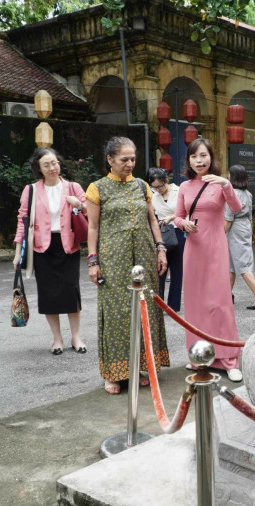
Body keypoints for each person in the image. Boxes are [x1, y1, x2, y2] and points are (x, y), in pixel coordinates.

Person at [85, 137, 169, 395]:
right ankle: (113, 373)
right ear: (110, 159)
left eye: (133, 159)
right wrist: (93, 260)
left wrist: (161, 248)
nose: (130, 164)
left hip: (144, 255)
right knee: (116, 314)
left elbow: (153, 220)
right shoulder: (97, 188)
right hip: (113, 259)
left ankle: (140, 367)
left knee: (144, 309)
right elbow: (93, 227)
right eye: (124, 159)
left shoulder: (142, 186)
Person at [174, 138, 244, 382]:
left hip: (215, 247)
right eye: (194, 157)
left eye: (203, 155)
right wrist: (184, 224)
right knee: (195, 303)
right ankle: (199, 356)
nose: (199, 161)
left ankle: (229, 360)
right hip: (193, 248)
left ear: (211, 158)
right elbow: (177, 216)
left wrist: (226, 184)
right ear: (188, 161)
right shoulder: (184, 186)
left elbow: (235, 208)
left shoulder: (219, 184)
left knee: (219, 303)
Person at [12, 147, 88, 355]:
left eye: (54, 163)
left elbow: (91, 210)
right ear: (39, 168)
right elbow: (23, 220)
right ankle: (57, 339)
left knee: (72, 293)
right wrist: (18, 251)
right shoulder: (32, 190)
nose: (52, 167)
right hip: (42, 248)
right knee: (49, 295)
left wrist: (79, 204)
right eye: (47, 165)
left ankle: (76, 336)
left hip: (68, 245)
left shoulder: (73, 187)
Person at [225, 165, 255, 310]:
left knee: (242, 265)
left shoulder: (231, 194)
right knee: (230, 264)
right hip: (245, 227)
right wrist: (252, 234)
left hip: (235, 228)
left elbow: (228, 219)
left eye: (229, 174)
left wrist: (218, 235)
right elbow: (250, 218)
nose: (227, 176)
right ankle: (227, 295)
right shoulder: (247, 193)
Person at [148, 168, 184, 312]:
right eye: (154, 187)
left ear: (166, 181)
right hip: (162, 232)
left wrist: (172, 217)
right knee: (160, 269)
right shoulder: (152, 195)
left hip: (179, 230)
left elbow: (187, 210)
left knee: (177, 269)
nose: (158, 190)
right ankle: (159, 303)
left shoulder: (179, 191)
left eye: (160, 186)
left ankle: (173, 306)